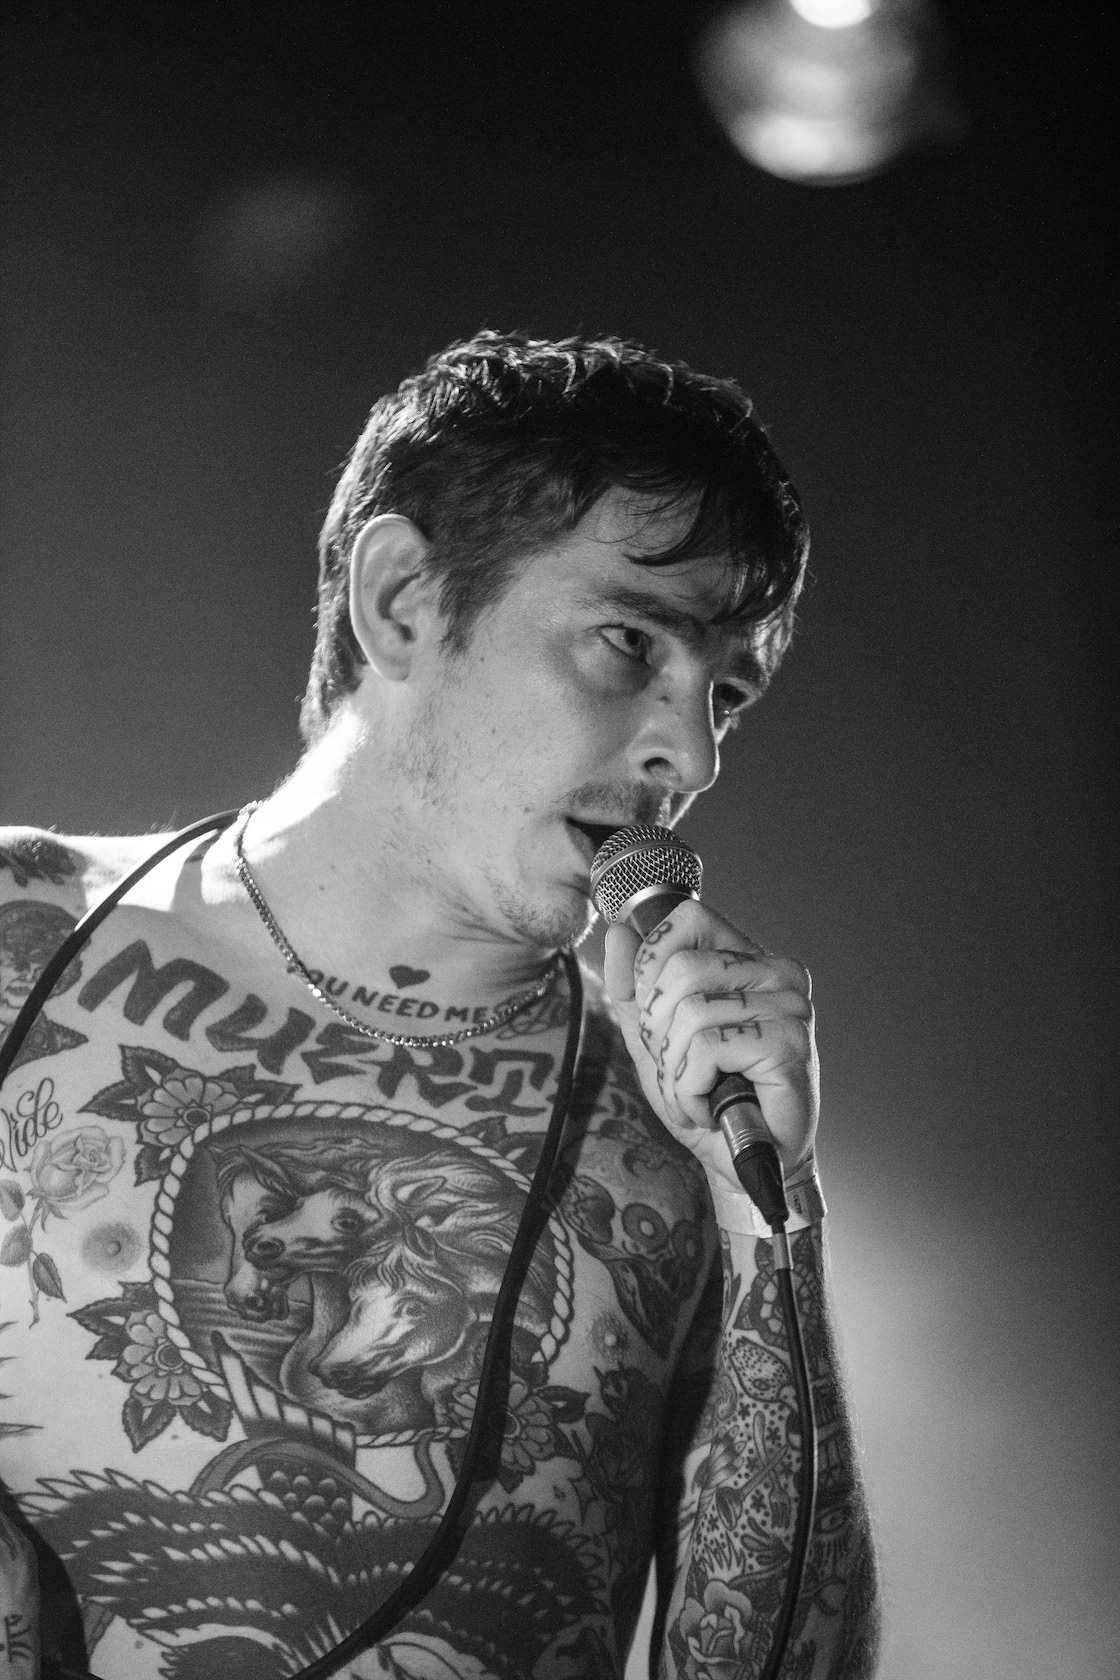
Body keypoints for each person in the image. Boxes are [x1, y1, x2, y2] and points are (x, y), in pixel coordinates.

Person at [0, 331, 879, 1680]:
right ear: (403, 598)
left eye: (727, 693)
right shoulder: (25, 947)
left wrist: (773, 1218)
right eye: (630, 641)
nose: (690, 753)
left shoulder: (674, 1133)